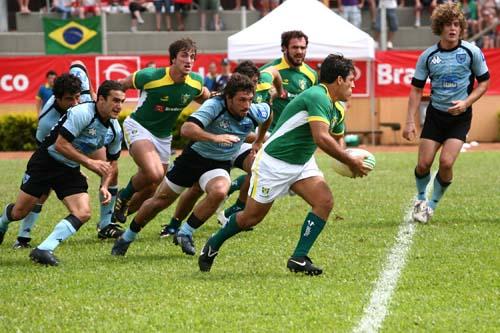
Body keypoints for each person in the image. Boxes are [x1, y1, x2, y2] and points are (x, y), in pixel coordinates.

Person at [198, 54, 369, 275]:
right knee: (251, 217)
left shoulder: (336, 108)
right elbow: (321, 138)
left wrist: (347, 159)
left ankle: (298, 258)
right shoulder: (318, 96)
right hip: (274, 163)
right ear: (338, 79)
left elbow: (337, 139)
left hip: (302, 163)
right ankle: (214, 243)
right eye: (351, 79)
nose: (353, 84)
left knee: (324, 201)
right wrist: (349, 160)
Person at [111, 73, 271, 256]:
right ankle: (127, 237)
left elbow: (268, 115)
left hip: (218, 163)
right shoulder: (214, 106)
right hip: (193, 158)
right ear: (229, 98)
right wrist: (215, 137)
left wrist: (258, 140)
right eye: (242, 100)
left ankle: (185, 233)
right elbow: (186, 129)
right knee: (159, 202)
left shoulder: (254, 110)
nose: (247, 105)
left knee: (219, 191)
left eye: (250, 100)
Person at [0, 80, 125, 266]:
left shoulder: (115, 130)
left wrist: (105, 186)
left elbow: (112, 163)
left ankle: (43, 249)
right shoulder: (81, 113)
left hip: (69, 168)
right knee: (19, 212)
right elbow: (60, 145)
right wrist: (90, 163)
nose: (119, 106)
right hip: (46, 162)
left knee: (83, 212)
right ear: (100, 99)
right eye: (115, 100)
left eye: (122, 101)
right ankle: (3, 221)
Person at [158, 60, 283, 239]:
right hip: (212, 147)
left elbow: (275, 75)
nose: (252, 86)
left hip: (239, 146)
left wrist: (279, 92)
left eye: (255, 82)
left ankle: (234, 209)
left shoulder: (261, 89)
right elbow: (204, 126)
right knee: (195, 189)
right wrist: (249, 136)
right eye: (248, 81)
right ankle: (174, 225)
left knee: (259, 168)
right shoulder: (221, 99)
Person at [403, 3, 489, 224]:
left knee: (447, 163)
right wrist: (409, 122)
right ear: (439, 27)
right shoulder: (428, 56)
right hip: (435, 115)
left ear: (461, 27)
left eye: (456, 24)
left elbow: (484, 83)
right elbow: (416, 89)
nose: (452, 28)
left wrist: (466, 102)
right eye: (448, 25)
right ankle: (420, 200)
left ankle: (431, 207)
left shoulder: (471, 52)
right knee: (423, 164)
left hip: (459, 118)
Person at [112, 38, 210, 225]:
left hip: (163, 136)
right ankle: (123, 198)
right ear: (173, 59)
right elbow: (121, 85)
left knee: (153, 186)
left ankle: (114, 217)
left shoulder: (196, 81)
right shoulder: (150, 76)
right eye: (184, 55)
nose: (189, 60)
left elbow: (203, 95)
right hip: (139, 127)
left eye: (192, 57)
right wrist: (110, 107)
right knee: (155, 174)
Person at [2, 73, 81, 249]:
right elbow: (50, 148)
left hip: (66, 161)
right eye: (69, 99)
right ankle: (3, 222)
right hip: (45, 157)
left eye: (77, 97)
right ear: (58, 99)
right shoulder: (48, 122)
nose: (76, 103)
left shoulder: (79, 107)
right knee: (21, 210)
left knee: (79, 210)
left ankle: (23, 239)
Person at [260, 30, 318, 133]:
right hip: (271, 133)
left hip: (297, 135)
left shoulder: (312, 74)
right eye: (295, 47)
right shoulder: (268, 71)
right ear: (284, 48)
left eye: (303, 48)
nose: (299, 51)